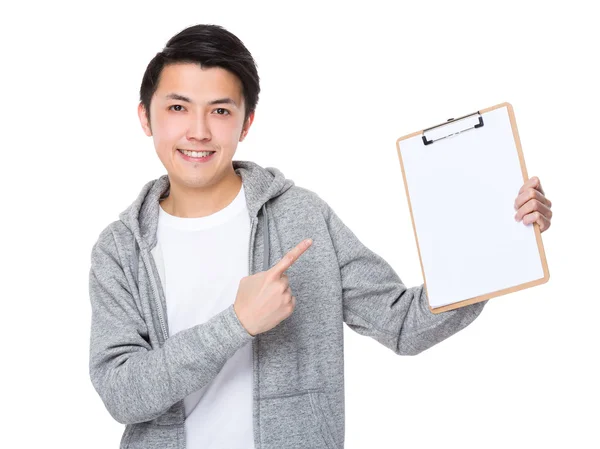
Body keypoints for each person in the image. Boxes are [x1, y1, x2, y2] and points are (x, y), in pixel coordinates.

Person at [88, 24, 553, 449]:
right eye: (177, 108)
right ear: (146, 118)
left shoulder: (300, 215)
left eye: (221, 110)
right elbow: (123, 394)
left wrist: (499, 242)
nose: (199, 131)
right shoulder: (121, 247)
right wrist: (238, 322)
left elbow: (402, 324)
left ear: (246, 122)